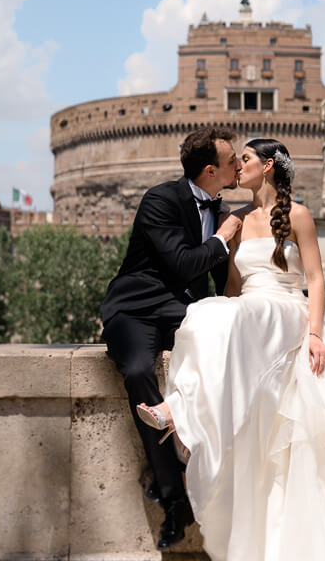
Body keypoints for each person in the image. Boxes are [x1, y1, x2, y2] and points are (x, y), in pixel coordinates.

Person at [137, 139, 325, 560]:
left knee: (238, 316)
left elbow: (316, 279)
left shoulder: (298, 215)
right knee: (206, 314)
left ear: (268, 165)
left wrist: (314, 334)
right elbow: (234, 289)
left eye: (246, 159)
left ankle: (178, 413)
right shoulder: (235, 220)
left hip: (288, 311)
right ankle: (183, 411)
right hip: (253, 311)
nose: (237, 166)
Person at [100, 127, 243, 550]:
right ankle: (173, 495)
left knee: (222, 355)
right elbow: (182, 264)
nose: (239, 165)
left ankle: (208, 479)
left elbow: (222, 281)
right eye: (233, 160)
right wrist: (222, 239)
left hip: (184, 312)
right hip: (138, 307)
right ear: (211, 170)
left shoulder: (221, 210)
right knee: (140, 371)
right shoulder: (161, 200)